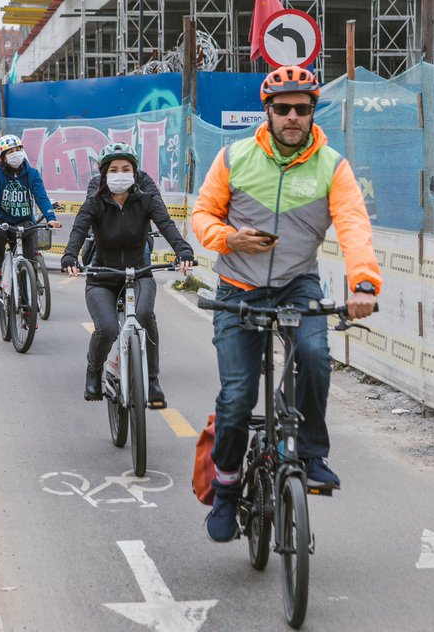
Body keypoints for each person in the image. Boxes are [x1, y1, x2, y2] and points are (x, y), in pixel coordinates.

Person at [192, 64, 380, 543]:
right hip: (239, 285)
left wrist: (363, 285)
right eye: (283, 108)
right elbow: (202, 215)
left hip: (298, 283)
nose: (293, 116)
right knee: (236, 397)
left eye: (302, 108)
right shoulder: (234, 158)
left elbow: (354, 225)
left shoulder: (332, 165)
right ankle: (229, 489)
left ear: (314, 111)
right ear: (268, 112)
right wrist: (231, 238)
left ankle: (312, 453)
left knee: (316, 356)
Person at [62, 143, 195, 408]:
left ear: (134, 173)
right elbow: (78, 230)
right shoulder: (95, 202)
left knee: (145, 316)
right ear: (104, 174)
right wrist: (70, 256)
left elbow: (166, 224)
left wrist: (183, 250)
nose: (119, 173)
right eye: (113, 169)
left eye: (126, 169)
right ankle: (95, 369)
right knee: (108, 328)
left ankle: (153, 380)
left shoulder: (146, 199)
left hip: (139, 273)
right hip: (102, 276)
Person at [0, 134, 61, 290]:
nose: (16, 154)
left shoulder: (32, 174)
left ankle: (30, 287)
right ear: (2, 158)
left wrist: (51, 217)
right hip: (1, 219)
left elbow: (41, 197)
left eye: (18, 149)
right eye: (10, 152)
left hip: (23, 220)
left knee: (29, 258)